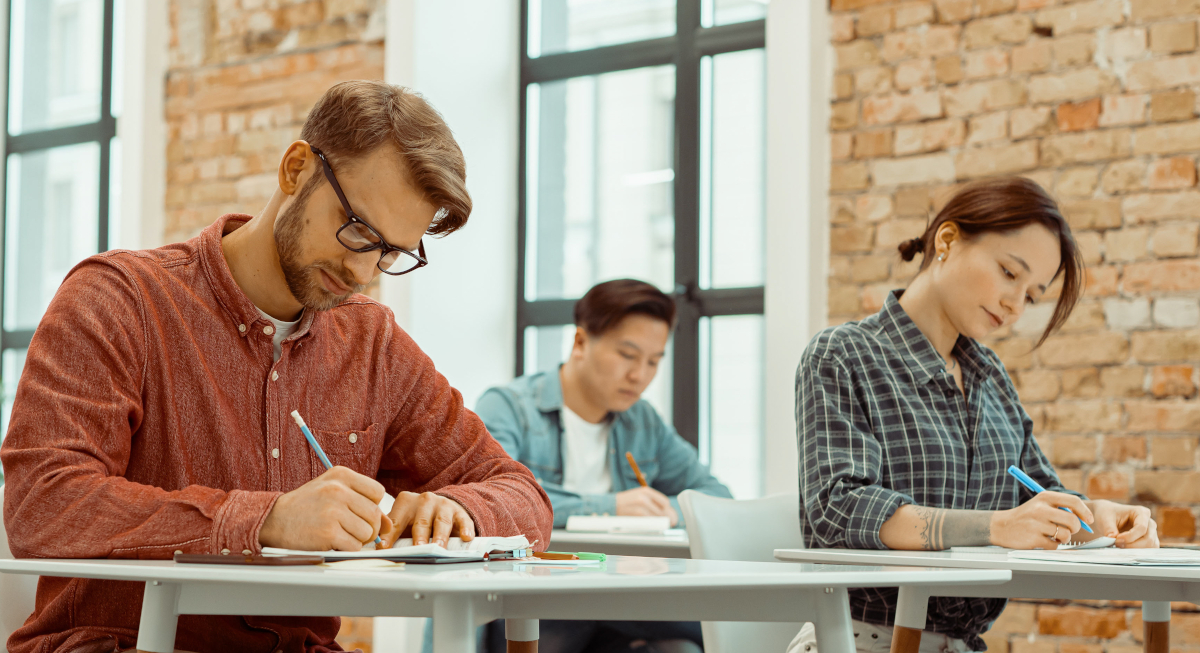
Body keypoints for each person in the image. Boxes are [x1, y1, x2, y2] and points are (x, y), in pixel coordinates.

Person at [0, 80, 553, 653]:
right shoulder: (119, 300)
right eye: (358, 230)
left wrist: (457, 509)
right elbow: (43, 504)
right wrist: (265, 521)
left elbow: (525, 496)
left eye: (390, 252)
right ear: (295, 169)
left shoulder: (373, 343)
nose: (364, 272)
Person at [790, 177, 1159, 653]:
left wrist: (1096, 519)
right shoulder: (843, 355)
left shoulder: (989, 377)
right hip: (859, 640)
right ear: (947, 240)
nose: (1014, 304)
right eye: (1009, 272)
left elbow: (1040, 494)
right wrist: (994, 527)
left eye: (1030, 295)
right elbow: (837, 509)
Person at [475, 278, 731, 653]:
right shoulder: (509, 407)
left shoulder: (643, 421)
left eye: (653, 361)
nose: (639, 375)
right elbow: (494, 499)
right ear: (580, 342)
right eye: (628, 355)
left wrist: (669, 512)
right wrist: (613, 507)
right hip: (535, 594)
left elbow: (716, 496)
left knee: (703, 636)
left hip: (622, 594)